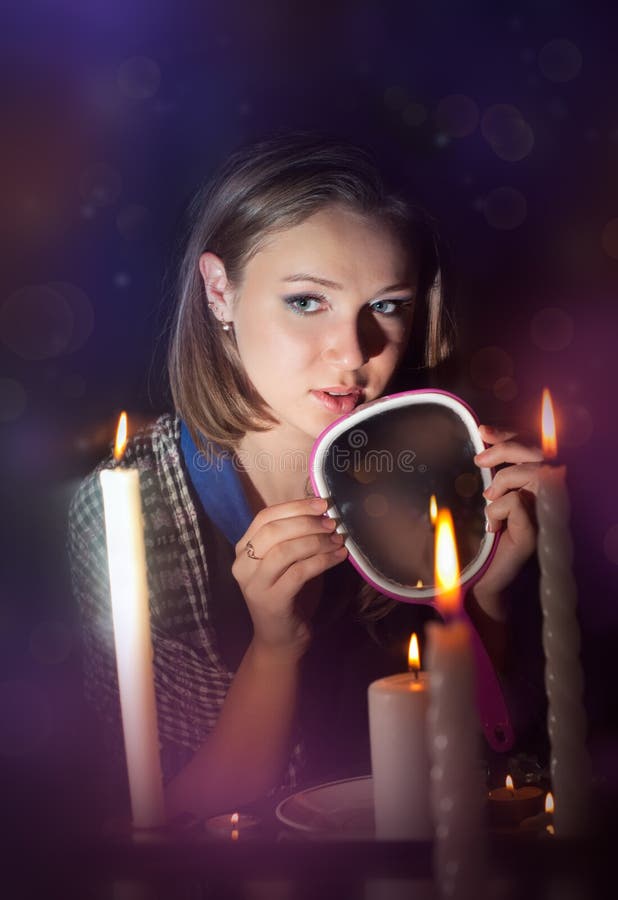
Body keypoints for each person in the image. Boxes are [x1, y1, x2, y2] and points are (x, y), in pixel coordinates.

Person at [68, 131, 545, 822]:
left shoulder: (442, 463)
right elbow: (169, 817)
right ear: (219, 291)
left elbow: (479, 772)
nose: (352, 354)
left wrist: (488, 597)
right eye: (306, 301)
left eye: (387, 305)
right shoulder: (135, 506)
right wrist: (275, 647)